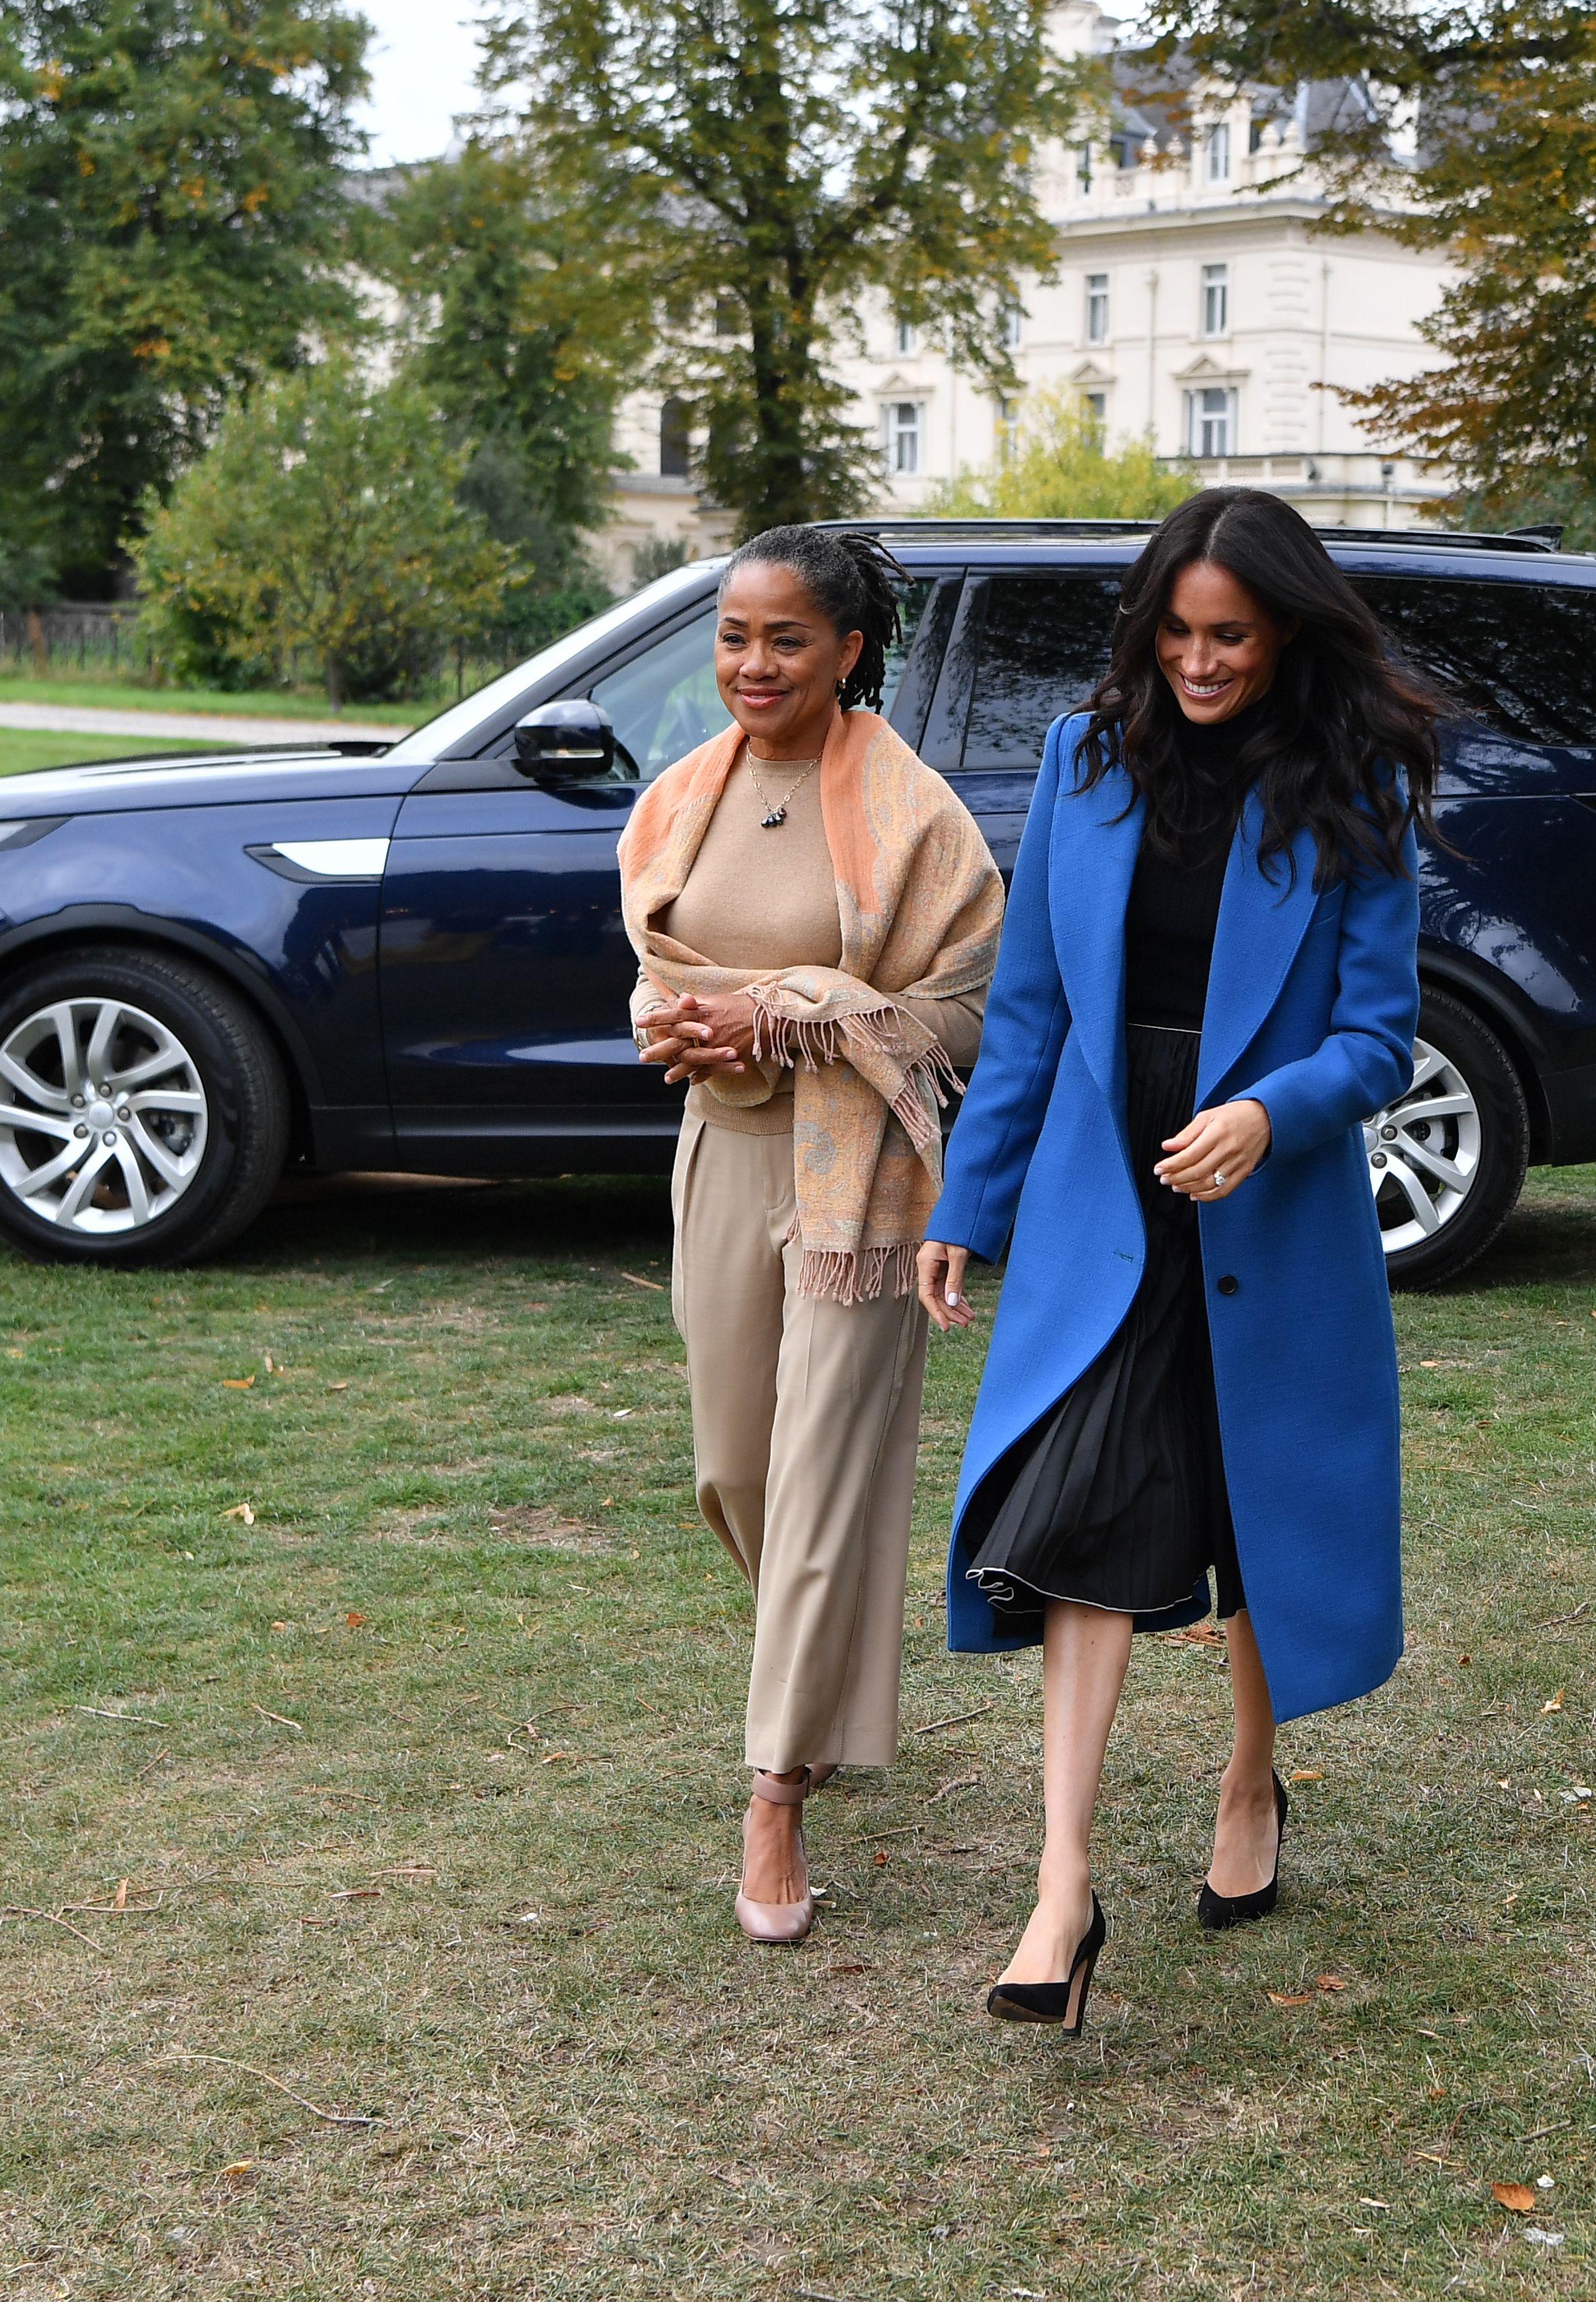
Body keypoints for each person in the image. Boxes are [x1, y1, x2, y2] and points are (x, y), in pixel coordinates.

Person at [914, 487, 1434, 2034]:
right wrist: (968, 1204)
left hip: (1264, 1198)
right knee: (1081, 1498)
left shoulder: (1355, 788)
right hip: (1103, 1185)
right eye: (1179, 633)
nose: (1200, 663)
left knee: (1255, 1502)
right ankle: (1060, 1885)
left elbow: (1380, 1038)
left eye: (1231, 637)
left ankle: (1252, 1778)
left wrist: (1272, 1116)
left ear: (1282, 636)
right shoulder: (1085, 762)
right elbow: (1028, 1010)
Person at [619, 524, 1003, 1943]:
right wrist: (696, 1024)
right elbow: (659, 976)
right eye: (733, 636)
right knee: (734, 1469)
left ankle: (774, 1790)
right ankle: (820, 1679)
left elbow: (967, 1006)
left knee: (830, 1470)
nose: (753, 664)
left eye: (785, 639)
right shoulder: (678, 800)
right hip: (724, 1150)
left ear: (848, 650)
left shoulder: (916, 815)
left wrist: (790, 1006)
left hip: (865, 1179)